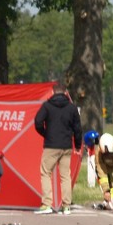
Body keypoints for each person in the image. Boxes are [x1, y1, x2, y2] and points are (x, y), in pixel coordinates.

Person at [33, 82, 82, 214]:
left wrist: (45, 133)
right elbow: (78, 128)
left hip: (51, 145)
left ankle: (47, 204)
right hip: (66, 146)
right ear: (66, 92)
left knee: (45, 173)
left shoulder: (47, 106)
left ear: (53, 92)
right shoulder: (72, 108)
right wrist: (77, 145)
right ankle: (66, 206)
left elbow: (37, 122)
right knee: (65, 176)